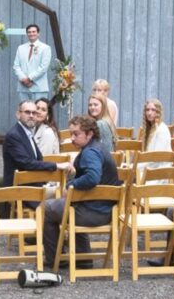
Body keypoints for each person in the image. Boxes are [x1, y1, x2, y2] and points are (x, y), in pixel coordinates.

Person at [42, 114, 121, 270]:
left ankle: (55, 259)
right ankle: (83, 259)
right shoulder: (98, 147)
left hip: (95, 213)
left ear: (89, 134)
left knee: (47, 208)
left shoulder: (90, 152)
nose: (72, 138)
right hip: (107, 210)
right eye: (71, 134)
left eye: (76, 134)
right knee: (73, 203)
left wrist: (70, 186)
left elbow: (92, 177)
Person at [1, 101, 69, 187]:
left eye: (34, 113)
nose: (31, 116)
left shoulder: (27, 131)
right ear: (18, 114)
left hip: (33, 182)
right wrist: (57, 165)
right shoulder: (14, 135)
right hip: (20, 189)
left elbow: (39, 159)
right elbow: (27, 163)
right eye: (27, 112)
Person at [12, 24, 52, 102]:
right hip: (23, 87)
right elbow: (16, 66)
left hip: (39, 87)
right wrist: (23, 79)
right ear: (27, 34)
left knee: (38, 109)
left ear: (38, 33)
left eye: (34, 32)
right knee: (24, 109)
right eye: (29, 32)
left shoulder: (45, 48)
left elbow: (43, 67)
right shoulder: (21, 48)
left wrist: (29, 78)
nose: (31, 34)